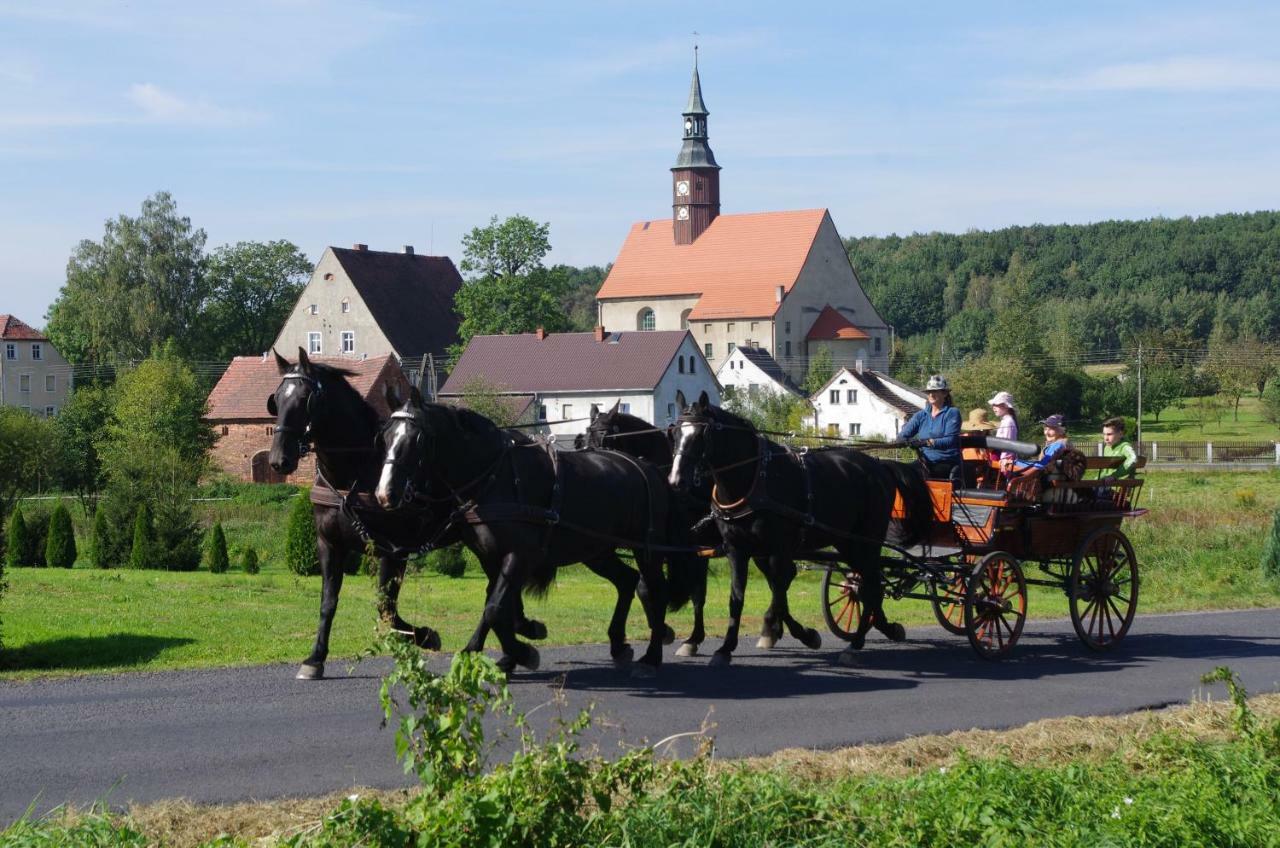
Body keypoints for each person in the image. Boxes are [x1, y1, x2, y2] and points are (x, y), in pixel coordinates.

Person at [899, 374, 961, 480]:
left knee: (913, 474)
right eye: (929, 392)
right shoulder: (921, 415)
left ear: (945, 393)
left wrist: (928, 442)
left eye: (935, 391)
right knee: (901, 472)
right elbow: (903, 435)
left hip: (945, 461)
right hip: (925, 461)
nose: (931, 394)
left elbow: (950, 440)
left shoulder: (952, 413)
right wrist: (905, 440)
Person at [961, 408, 997, 487]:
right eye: (977, 430)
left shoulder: (990, 443)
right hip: (966, 480)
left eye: (981, 430)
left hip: (984, 482)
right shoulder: (962, 440)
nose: (979, 432)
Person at [1095, 416, 1138, 480]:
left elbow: (1133, 458)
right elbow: (1104, 471)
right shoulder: (1107, 447)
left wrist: (1114, 475)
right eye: (1104, 434)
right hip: (1103, 483)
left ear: (1120, 434)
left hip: (1117, 485)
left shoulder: (1125, 447)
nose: (1106, 438)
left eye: (1109, 434)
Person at [987, 391, 1019, 471]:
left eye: (997, 405)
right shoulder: (1005, 420)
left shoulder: (1008, 422)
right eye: (993, 405)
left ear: (1006, 406)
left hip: (1005, 462)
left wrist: (1005, 460)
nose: (993, 407)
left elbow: (1007, 444)